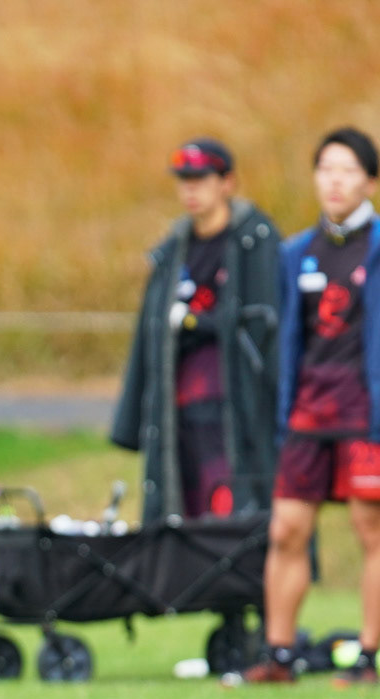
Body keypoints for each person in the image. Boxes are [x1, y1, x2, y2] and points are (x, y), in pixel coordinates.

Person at [241, 128, 380, 687]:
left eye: (347, 170)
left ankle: (367, 657)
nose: (335, 181)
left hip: (368, 412)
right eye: (326, 169)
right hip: (308, 413)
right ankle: (279, 654)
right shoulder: (296, 252)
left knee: (370, 527)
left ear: (371, 182)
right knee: (286, 529)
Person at [112, 138, 283, 522]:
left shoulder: (256, 242)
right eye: (184, 181)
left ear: (227, 183)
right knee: (181, 508)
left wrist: (195, 322)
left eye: (201, 180)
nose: (190, 190)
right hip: (179, 410)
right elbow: (147, 338)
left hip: (237, 407)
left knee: (232, 511)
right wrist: (130, 421)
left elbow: (267, 326)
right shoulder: (172, 251)